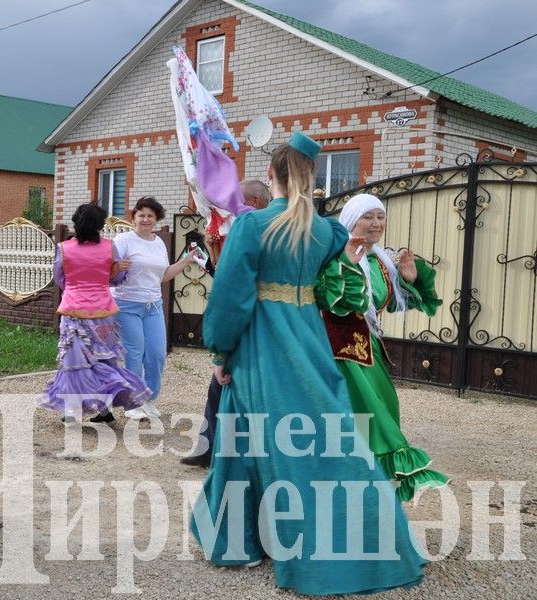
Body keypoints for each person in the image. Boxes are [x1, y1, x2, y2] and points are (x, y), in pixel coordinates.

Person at [191, 132, 425, 595]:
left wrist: (220, 351)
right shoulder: (328, 231)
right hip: (309, 337)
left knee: (259, 436)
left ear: (273, 176)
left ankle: (271, 545)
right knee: (322, 435)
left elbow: (231, 298)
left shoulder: (253, 225)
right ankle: (252, 536)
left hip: (263, 339)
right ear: (310, 178)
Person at [317, 192, 449, 501]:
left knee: (385, 408)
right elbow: (331, 299)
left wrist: (410, 278)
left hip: (370, 349)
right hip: (342, 352)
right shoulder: (336, 254)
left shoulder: (379, 261)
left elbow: (392, 302)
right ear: (352, 220)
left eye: (380, 216)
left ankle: (365, 489)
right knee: (369, 417)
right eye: (368, 217)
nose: (376, 223)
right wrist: (348, 262)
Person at [181, 180, 272, 468]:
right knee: (219, 386)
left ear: (253, 202)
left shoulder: (263, 230)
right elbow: (225, 278)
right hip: (241, 318)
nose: (228, 204)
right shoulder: (241, 228)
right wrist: (216, 252)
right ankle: (209, 447)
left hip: (262, 320)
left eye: (236, 199)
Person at [40, 203, 151, 423]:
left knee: (74, 361)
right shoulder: (109, 247)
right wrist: (105, 278)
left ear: (76, 223)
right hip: (103, 312)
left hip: (74, 311)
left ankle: (72, 412)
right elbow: (117, 279)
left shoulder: (64, 247)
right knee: (105, 359)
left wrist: (76, 287)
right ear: (100, 226)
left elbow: (60, 279)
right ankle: (104, 411)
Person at [112, 196, 195, 419]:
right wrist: (117, 267)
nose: (145, 219)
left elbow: (163, 275)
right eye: (141, 215)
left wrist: (186, 260)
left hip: (153, 305)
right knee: (135, 352)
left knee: (157, 354)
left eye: (150, 216)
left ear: (156, 218)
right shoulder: (123, 240)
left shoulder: (158, 242)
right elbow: (110, 270)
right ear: (134, 218)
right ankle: (132, 402)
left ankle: (149, 399)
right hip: (127, 303)